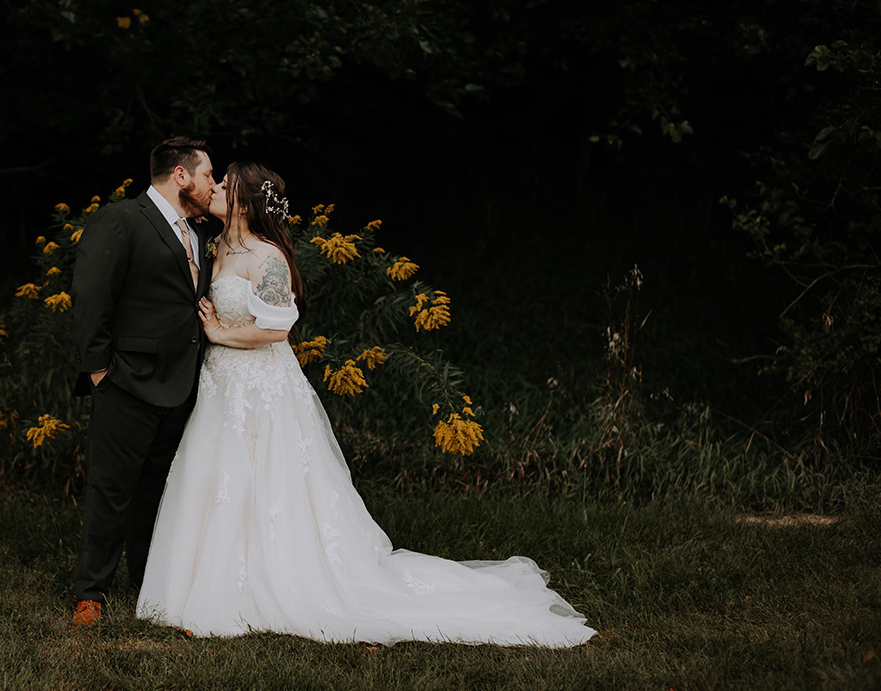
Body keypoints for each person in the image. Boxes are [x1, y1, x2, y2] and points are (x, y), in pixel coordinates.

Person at [135, 161, 596, 647]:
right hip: (221, 386)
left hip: (259, 387)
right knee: (217, 478)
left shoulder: (266, 256)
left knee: (265, 479)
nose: (217, 189)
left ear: (245, 203)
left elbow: (276, 329)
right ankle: (204, 579)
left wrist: (218, 333)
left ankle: (267, 583)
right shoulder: (218, 246)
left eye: (225, 185)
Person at [69, 136, 219, 626]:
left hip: (181, 385)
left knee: (156, 490)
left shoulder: (197, 233)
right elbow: (91, 294)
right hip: (126, 382)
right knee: (112, 491)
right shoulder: (122, 219)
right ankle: (91, 592)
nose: (211, 184)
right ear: (181, 175)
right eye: (207, 174)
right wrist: (99, 372)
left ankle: (145, 583)